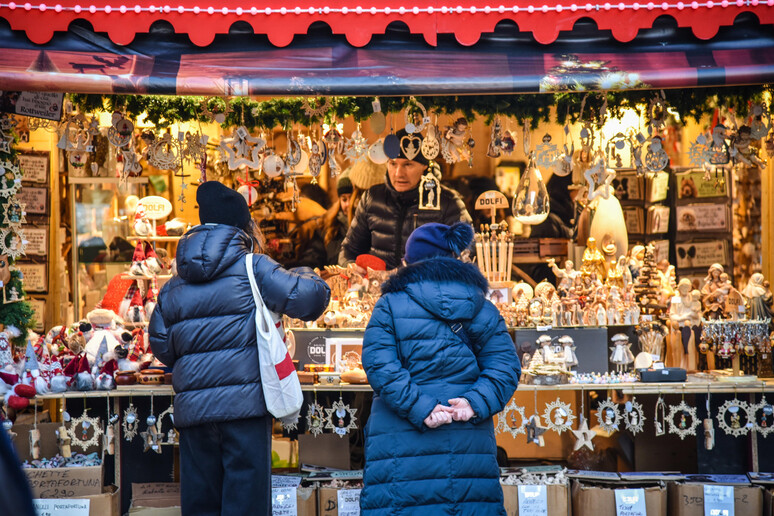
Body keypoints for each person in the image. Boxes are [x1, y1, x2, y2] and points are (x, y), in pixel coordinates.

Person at [148, 181, 330, 516]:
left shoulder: (174, 286)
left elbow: (161, 345)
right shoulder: (254, 267)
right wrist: (307, 272)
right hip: (244, 411)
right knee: (246, 505)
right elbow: (310, 300)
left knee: (201, 505)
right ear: (243, 226)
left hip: (193, 414)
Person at [360, 222, 521, 515]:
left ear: (408, 263)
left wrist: (421, 407)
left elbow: (379, 364)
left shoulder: (390, 306)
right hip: (466, 441)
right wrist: (474, 403)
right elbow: (506, 366)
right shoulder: (482, 307)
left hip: (401, 440)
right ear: (454, 260)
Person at [339, 129, 471, 269]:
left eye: (408, 165)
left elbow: (467, 254)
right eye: (393, 164)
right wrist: (352, 268)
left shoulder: (448, 202)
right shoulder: (372, 198)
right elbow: (349, 250)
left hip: (426, 288)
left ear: (424, 166)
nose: (398, 173)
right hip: (378, 287)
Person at [323, 175, 353, 265]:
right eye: (344, 199)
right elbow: (332, 258)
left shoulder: (363, 224)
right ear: (339, 200)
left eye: (351, 198)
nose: (348, 204)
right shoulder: (333, 225)